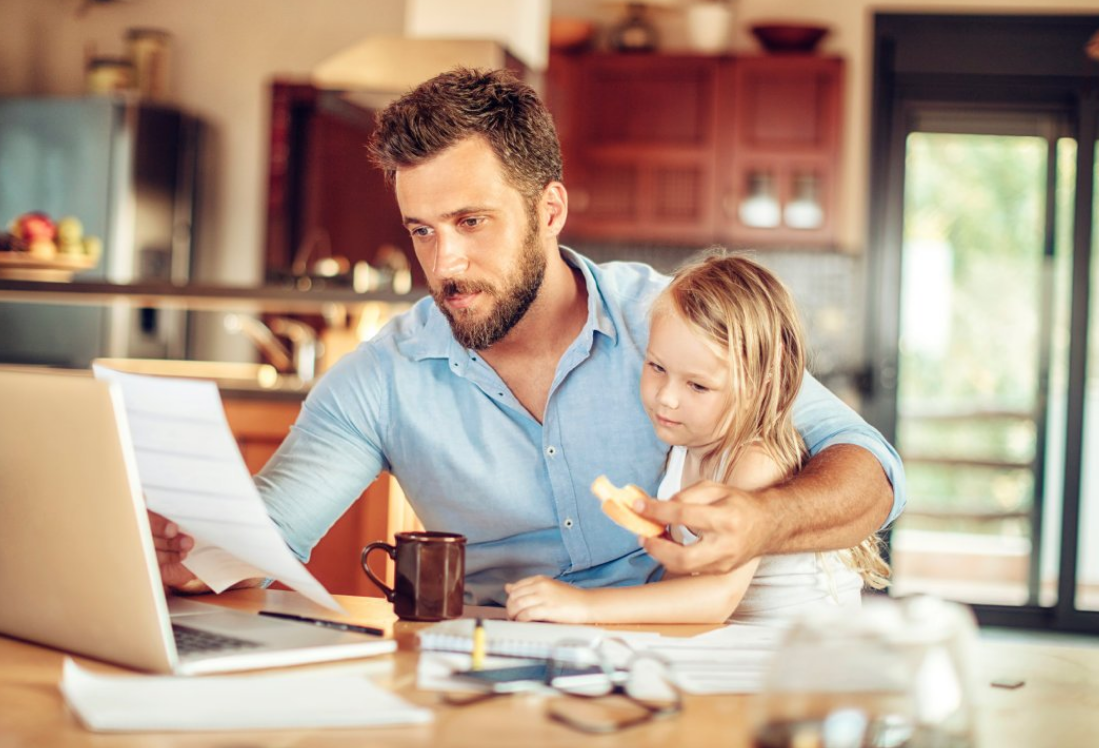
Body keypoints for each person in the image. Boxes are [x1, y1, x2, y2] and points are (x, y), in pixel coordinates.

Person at [152, 67, 904, 606]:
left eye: (471, 222)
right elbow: (264, 537)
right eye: (422, 230)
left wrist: (764, 520)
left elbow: (871, 472)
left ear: (549, 211)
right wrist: (191, 556)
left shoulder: (670, 319)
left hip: (680, 660)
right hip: (489, 669)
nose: (445, 263)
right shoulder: (379, 379)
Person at [505, 254, 890, 624]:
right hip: (738, 648)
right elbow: (683, 586)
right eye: (657, 367)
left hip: (803, 657)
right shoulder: (682, 450)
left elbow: (715, 599)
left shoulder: (755, 460)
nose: (666, 397)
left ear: (758, 387)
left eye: (698, 385)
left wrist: (585, 606)